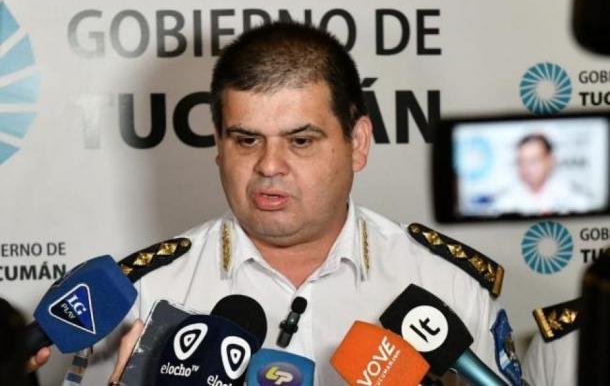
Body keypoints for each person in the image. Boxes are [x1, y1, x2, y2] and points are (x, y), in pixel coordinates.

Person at [33, 22, 523, 385]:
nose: (269, 165)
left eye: (301, 141)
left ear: (357, 143)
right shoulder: (140, 297)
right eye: (247, 140)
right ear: (219, 146)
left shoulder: (447, 288)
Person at [491, 133, 590, 215]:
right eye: (521, 162)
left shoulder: (574, 198)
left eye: (533, 161)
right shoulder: (504, 202)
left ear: (550, 161)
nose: (526, 168)